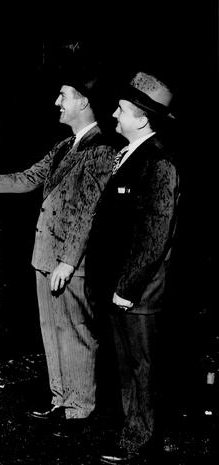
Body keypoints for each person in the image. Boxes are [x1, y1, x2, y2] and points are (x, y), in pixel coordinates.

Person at [0, 63, 121, 437]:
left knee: (74, 331)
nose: (57, 102)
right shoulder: (64, 147)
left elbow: (88, 211)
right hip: (45, 255)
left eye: (64, 95)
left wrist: (69, 261)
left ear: (85, 102)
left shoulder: (102, 150)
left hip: (68, 262)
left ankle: (80, 408)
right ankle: (61, 399)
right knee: (51, 330)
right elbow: (27, 180)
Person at [85, 71, 180, 463]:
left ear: (141, 118)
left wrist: (126, 288)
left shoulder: (158, 163)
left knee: (142, 369)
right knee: (127, 367)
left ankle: (141, 439)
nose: (113, 114)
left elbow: (155, 238)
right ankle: (133, 430)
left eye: (121, 109)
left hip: (138, 292)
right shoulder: (131, 156)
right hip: (121, 286)